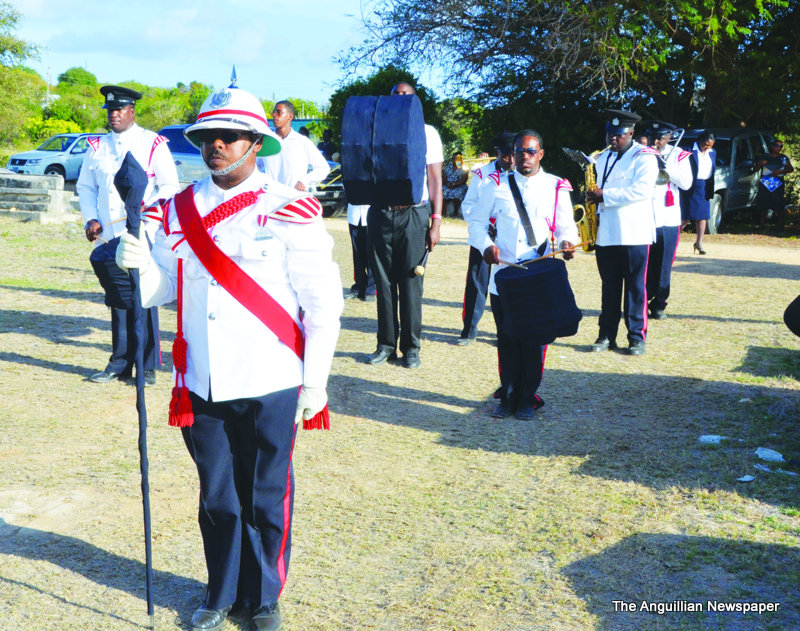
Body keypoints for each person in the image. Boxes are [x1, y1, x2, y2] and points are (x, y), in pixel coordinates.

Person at [116, 85, 343, 631]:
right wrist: (137, 266)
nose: (215, 145)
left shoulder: (288, 205)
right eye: (206, 136)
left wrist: (316, 383)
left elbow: (323, 302)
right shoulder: (179, 208)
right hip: (203, 381)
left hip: (271, 374)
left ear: (255, 143)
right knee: (217, 497)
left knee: (266, 495)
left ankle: (264, 597)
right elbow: (164, 288)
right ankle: (220, 593)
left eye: (229, 136)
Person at [468, 129, 578, 419]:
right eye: (519, 151)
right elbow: (476, 224)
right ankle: (508, 395)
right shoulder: (496, 185)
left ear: (541, 153)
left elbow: (567, 227)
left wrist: (568, 243)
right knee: (506, 339)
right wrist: (486, 246)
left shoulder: (556, 187)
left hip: (538, 277)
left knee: (535, 340)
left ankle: (528, 398)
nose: (524, 157)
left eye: (530, 151)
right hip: (504, 276)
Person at [77, 85, 180, 385]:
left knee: (144, 296)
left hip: (142, 233)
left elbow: (169, 186)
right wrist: (91, 218)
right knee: (118, 299)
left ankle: (146, 365)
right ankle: (119, 362)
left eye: (120, 110)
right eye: (110, 110)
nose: (114, 115)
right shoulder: (96, 146)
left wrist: (150, 218)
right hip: (109, 235)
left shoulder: (153, 143)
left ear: (132, 111)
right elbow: (86, 187)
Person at [366, 81, 443, 369]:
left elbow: (434, 179)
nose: (400, 98)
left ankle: (411, 347)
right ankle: (386, 345)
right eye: (395, 94)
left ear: (415, 101)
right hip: (381, 213)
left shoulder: (427, 132)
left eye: (406, 95)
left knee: (411, 283)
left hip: (413, 214)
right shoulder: (376, 128)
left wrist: (436, 221)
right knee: (383, 283)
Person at [587, 109, 659, 356]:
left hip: (634, 232)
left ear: (631, 133)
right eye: (610, 134)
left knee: (636, 288)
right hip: (607, 231)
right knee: (609, 288)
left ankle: (636, 337)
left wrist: (604, 195)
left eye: (618, 135)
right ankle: (606, 335)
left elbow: (641, 191)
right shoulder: (604, 156)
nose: (613, 140)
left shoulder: (646, 157)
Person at [457, 132, 515, 345]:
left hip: (509, 237)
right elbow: (469, 205)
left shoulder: (522, 173)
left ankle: (507, 331)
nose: (510, 160)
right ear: (497, 153)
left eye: (513, 155)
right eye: (505, 155)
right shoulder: (482, 174)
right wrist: (486, 227)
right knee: (477, 282)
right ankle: (469, 330)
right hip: (484, 236)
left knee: (508, 285)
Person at [644, 121, 693, 319]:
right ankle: (641, 300)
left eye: (661, 138)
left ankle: (659, 304)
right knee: (645, 261)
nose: (656, 142)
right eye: (652, 137)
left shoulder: (679, 154)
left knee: (664, 263)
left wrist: (667, 168)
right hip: (645, 216)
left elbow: (687, 183)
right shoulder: (642, 152)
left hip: (668, 216)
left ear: (669, 137)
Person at [260, 99, 330, 190]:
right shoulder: (266, 141)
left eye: (279, 112)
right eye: (274, 112)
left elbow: (323, 168)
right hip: (270, 197)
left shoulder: (302, 142)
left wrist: (304, 180)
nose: (274, 115)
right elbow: (254, 167)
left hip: (293, 198)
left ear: (290, 116)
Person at [680, 130, 716, 254]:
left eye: (710, 145)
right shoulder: (688, 150)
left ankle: (699, 243)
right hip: (691, 186)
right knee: (685, 217)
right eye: (706, 145)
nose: (707, 147)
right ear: (700, 141)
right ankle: (672, 237)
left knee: (703, 216)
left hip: (704, 186)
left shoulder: (712, 152)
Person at [755, 139, 794, 232]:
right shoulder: (764, 157)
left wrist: (781, 171)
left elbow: (791, 169)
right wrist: (760, 164)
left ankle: (781, 226)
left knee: (778, 203)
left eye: (781, 146)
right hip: (765, 182)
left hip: (778, 183)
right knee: (763, 203)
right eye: (777, 145)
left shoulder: (783, 158)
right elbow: (755, 169)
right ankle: (761, 225)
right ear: (772, 146)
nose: (778, 148)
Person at [346, 202, 376, 301]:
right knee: (357, 253)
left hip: (371, 213)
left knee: (372, 253)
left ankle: (372, 288)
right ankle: (360, 284)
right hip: (354, 214)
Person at [442, 152, 469, 217]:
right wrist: (448, 184)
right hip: (449, 185)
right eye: (453, 158)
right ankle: (443, 212)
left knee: (456, 193)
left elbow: (464, 180)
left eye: (455, 158)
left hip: (459, 186)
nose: (453, 160)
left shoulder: (463, 167)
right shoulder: (449, 166)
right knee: (441, 192)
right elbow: (444, 178)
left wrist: (454, 184)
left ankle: (455, 213)